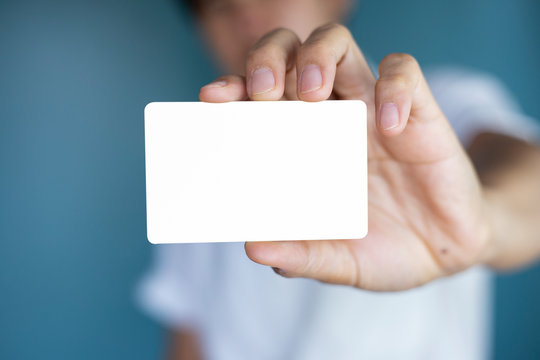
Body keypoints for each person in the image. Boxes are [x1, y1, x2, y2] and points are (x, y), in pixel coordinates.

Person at [138, 0, 540, 359]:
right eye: (217, 6)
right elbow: (189, 339)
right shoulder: (195, 179)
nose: (244, 11)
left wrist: (483, 222)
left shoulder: (430, 109)